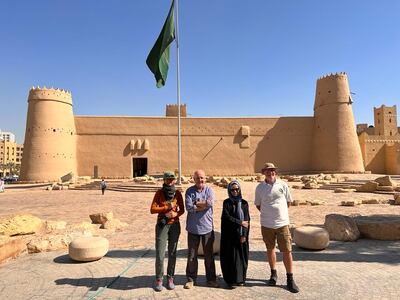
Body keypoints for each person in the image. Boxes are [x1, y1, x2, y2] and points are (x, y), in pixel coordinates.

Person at [254, 162, 300, 293]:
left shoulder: (283, 185)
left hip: (282, 224)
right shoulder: (259, 188)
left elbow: (288, 202)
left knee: (287, 250)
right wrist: (269, 214)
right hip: (266, 224)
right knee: (270, 249)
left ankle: (290, 279)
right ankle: (273, 274)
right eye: (268, 170)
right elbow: (258, 205)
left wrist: (280, 214)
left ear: (275, 172)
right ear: (263, 173)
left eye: (273, 170)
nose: (271, 172)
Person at [150, 171, 185, 292]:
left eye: (172, 179)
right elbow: (152, 209)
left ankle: (170, 278)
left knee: (172, 253)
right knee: (160, 254)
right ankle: (159, 279)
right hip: (162, 225)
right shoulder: (159, 193)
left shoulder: (177, 193)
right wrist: (166, 208)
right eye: (168, 179)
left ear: (174, 180)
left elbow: (182, 209)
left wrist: (176, 213)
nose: (170, 181)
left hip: (174, 225)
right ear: (164, 180)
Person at [184, 169, 218, 289]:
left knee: (209, 256)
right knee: (192, 256)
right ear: (194, 179)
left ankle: (211, 279)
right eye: (198, 178)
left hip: (207, 228)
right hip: (193, 229)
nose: (200, 180)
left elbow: (210, 203)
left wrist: (197, 205)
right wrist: (202, 205)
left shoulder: (209, 190)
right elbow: (189, 207)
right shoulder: (189, 191)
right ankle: (191, 279)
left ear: (205, 178)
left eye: (202, 178)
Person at [220, 180, 250, 288]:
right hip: (230, 236)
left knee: (241, 258)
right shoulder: (226, 203)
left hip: (241, 235)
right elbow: (226, 218)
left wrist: (244, 235)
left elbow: (247, 220)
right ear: (229, 190)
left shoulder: (244, 203)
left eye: (237, 189)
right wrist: (239, 222)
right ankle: (231, 280)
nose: (235, 192)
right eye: (232, 190)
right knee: (231, 258)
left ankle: (241, 279)